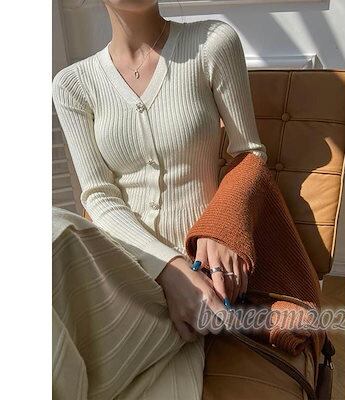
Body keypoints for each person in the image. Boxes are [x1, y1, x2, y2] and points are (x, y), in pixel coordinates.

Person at [52, 1, 268, 399]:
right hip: (122, 266)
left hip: (200, 272)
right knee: (50, 229)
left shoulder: (211, 43)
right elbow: (99, 196)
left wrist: (222, 224)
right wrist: (169, 269)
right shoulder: (72, 85)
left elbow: (249, 154)